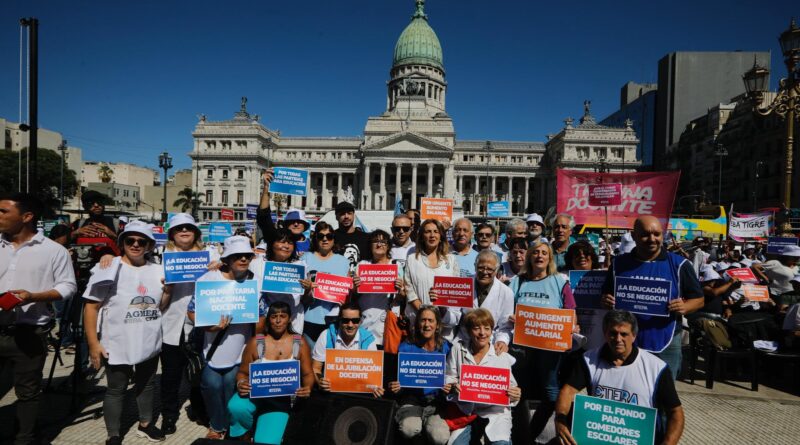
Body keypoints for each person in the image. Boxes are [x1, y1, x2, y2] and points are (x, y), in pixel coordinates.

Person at [0, 193, 77, 445]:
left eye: (3, 212)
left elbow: (68, 287)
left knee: (28, 392)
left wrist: (34, 296)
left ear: (27, 217)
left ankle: (24, 438)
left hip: (30, 332)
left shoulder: (54, 251)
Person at [83, 220, 166, 444]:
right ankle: (114, 434)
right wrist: (93, 344)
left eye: (142, 241)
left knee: (147, 384)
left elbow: (161, 306)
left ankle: (146, 424)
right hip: (117, 340)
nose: (136, 245)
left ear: (150, 245)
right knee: (116, 388)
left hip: (149, 339)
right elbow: (91, 307)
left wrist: (169, 290)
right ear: (122, 242)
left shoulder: (159, 269)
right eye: (130, 240)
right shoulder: (109, 266)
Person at [554, 310, 684, 445]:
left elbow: (676, 413)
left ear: (634, 336)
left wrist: (668, 442)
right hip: (599, 438)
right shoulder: (588, 359)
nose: (618, 339)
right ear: (605, 333)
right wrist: (560, 420)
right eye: (613, 333)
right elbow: (567, 391)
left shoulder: (657, 368)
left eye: (624, 334)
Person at [601, 215, 704, 381]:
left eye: (657, 234)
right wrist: (606, 300)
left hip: (665, 339)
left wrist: (684, 307)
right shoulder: (618, 264)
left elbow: (698, 299)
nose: (652, 239)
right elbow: (606, 294)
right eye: (645, 234)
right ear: (634, 236)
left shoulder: (680, 264)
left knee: (663, 391)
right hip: (625, 340)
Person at [187, 235, 267, 440]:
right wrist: (210, 327)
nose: (243, 260)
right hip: (212, 348)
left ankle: (234, 426)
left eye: (247, 256)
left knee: (232, 386)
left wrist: (253, 320)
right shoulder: (208, 279)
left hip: (240, 350)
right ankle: (216, 424)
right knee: (211, 386)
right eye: (237, 256)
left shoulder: (255, 283)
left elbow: (261, 317)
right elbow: (192, 312)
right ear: (227, 259)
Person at [508, 241, 577, 442]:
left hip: (550, 348)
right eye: (535, 252)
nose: (539, 256)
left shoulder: (559, 281)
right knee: (519, 390)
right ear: (529, 257)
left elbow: (571, 311)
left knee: (550, 392)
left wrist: (573, 325)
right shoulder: (518, 281)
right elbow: (506, 307)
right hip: (522, 347)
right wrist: (511, 316)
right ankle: (520, 435)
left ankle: (536, 432)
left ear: (550, 258)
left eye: (544, 253)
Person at [158, 213, 220, 434]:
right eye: (179, 228)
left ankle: (200, 409)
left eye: (189, 228)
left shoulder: (210, 254)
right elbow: (160, 303)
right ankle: (169, 415)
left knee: (199, 373)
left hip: (201, 323)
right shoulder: (163, 256)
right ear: (172, 234)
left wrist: (219, 265)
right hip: (172, 324)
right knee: (171, 374)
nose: (184, 231)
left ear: (196, 233)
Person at [228, 301, 315, 444]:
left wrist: (308, 387)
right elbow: (242, 372)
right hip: (255, 395)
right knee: (236, 406)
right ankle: (244, 433)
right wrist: (241, 383)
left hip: (281, 402)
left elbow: (308, 374)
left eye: (283, 316)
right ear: (269, 319)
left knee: (266, 441)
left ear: (289, 319)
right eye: (274, 316)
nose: (279, 321)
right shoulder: (256, 342)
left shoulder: (299, 343)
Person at [443, 308, 520, 445]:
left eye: (487, 328)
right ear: (468, 331)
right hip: (466, 413)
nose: (482, 333)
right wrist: (453, 386)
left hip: (495, 413)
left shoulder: (500, 355)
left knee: (501, 443)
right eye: (476, 328)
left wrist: (515, 394)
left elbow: (512, 388)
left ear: (491, 331)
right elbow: (449, 376)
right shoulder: (457, 349)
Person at [389, 305, 451, 444]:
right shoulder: (405, 347)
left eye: (431, 320)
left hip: (436, 403)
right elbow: (396, 380)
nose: (426, 324)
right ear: (417, 323)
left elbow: (452, 376)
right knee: (409, 429)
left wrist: (449, 387)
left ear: (437, 325)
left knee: (440, 437)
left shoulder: (446, 348)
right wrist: (396, 387)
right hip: (411, 400)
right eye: (423, 320)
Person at [404, 219, 461, 339]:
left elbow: (455, 291)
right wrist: (425, 314)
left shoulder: (451, 260)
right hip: (420, 322)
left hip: (444, 324)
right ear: (422, 236)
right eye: (428, 232)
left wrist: (439, 314)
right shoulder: (412, 259)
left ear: (441, 236)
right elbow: (409, 291)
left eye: (435, 231)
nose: (432, 235)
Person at [311, 302, 382, 397]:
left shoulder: (368, 339)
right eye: (345, 320)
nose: (350, 325)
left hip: (358, 393)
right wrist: (320, 381)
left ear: (360, 321)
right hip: (331, 392)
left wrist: (376, 388)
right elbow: (316, 368)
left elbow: (373, 377)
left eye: (355, 320)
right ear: (339, 320)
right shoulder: (326, 335)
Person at [300, 221, 351, 348]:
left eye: (329, 236)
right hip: (309, 320)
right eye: (320, 236)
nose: (325, 239)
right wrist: (307, 290)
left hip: (334, 321)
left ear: (333, 239)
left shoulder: (343, 261)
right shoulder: (305, 258)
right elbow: (299, 295)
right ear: (315, 238)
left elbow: (348, 293)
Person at [352, 229, 407, 347]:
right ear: (370, 246)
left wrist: (400, 290)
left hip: (386, 324)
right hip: (365, 321)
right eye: (375, 241)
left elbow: (402, 297)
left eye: (383, 241)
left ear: (388, 246)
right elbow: (354, 295)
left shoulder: (396, 265)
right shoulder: (362, 265)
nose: (379, 244)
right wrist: (355, 288)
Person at [457, 250, 514, 354]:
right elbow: (452, 318)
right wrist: (443, 309)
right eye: (481, 267)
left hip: (490, 346)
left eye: (490, 269)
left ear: (496, 270)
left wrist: (502, 341)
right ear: (475, 266)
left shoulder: (507, 293)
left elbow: (505, 327)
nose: (484, 272)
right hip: (463, 343)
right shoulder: (462, 285)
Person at [255, 228, 305, 334]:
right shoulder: (257, 263)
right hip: (266, 321)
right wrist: (221, 263)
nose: (286, 246)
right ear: (272, 244)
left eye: (290, 243)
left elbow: (305, 298)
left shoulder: (300, 265)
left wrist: (308, 289)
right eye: (282, 242)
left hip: (293, 320)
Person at [257, 169, 311, 255]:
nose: (296, 224)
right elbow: (263, 217)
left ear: (305, 225)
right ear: (285, 225)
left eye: (299, 222)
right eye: (292, 221)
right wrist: (267, 187)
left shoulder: (313, 245)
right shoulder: (275, 239)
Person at [565, 240, 607, 350]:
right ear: (571, 260)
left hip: (598, 335)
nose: (582, 257)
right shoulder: (562, 279)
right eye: (577, 255)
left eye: (586, 254)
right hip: (571, 334)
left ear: (592, 258)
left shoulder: (605, 278)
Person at [333, 201, 371, 273]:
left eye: (349, 213)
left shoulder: (366, 238)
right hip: (337, 280)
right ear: (336, 217)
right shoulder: (330, 237)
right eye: (342, 214)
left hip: (359, 280)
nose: (346, 216)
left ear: (354, 215)